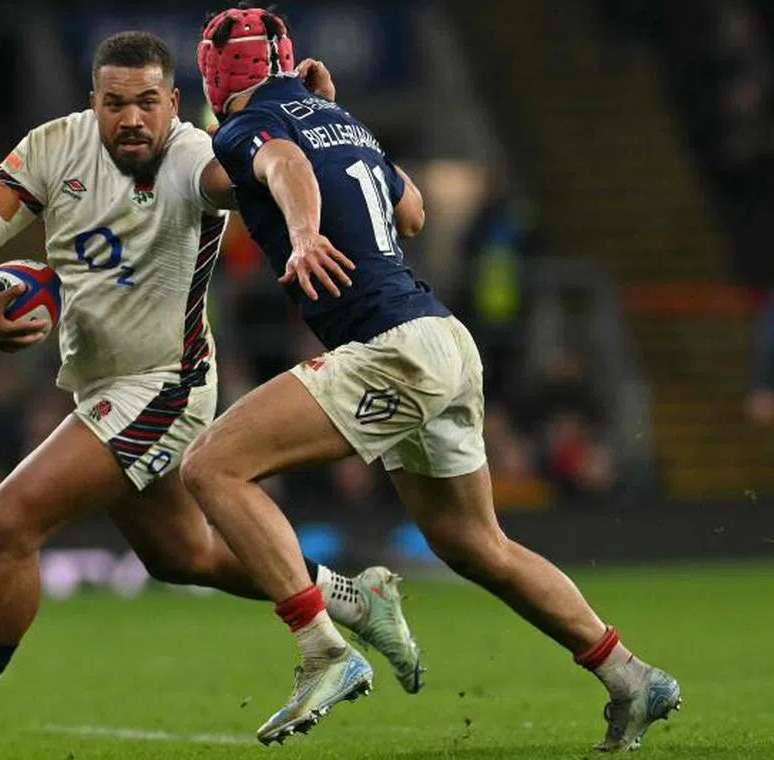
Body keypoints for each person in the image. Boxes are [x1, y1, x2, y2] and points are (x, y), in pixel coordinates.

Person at [0, 32, 421, 759]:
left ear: (174, 104)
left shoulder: (197, 157)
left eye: (148, 103)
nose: (133, 119)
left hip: (168, 385)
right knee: (183, 556)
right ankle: (354, 598)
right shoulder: (52, 147)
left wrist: (311, 120)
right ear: (92, 102)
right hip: (102, 387)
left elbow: (269, 166)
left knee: (13, 518)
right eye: (116, 102)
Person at [181, 6, 681, 750]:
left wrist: (308, 228)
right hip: (444, 338)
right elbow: (410, 213)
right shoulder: (343, 122)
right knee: (474, 543)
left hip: (387, 346)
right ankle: (632, 677)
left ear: (218, 73)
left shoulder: (252, 126)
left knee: (212, 468)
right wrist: (330, 127)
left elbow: (279, 166)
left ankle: (322, 648)